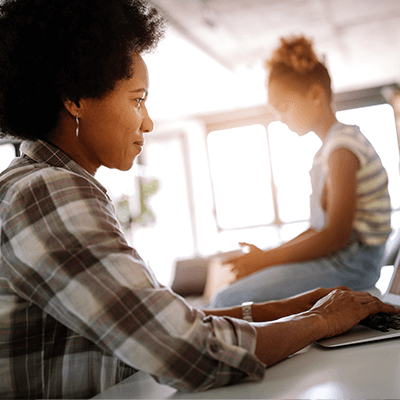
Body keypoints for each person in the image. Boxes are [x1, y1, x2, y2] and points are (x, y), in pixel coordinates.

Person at [0, 3, 396, 398]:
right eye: (138, 100)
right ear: (75, 99)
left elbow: (152, 319)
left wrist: (285, 308)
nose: (149, 122)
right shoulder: (46, 192)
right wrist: (319, 321)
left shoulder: (43, 184)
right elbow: (184, 348)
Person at [210, 35, 392, 308]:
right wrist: (268, 255)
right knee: (229, 296)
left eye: (284, 107)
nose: (281, 118)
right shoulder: (328, 150)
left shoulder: (342, 148)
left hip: (353, 265)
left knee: (226, 300)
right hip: (339, 258)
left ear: (315, 95)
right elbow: (317, 230)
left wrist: (267, 260)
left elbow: (336, 236)